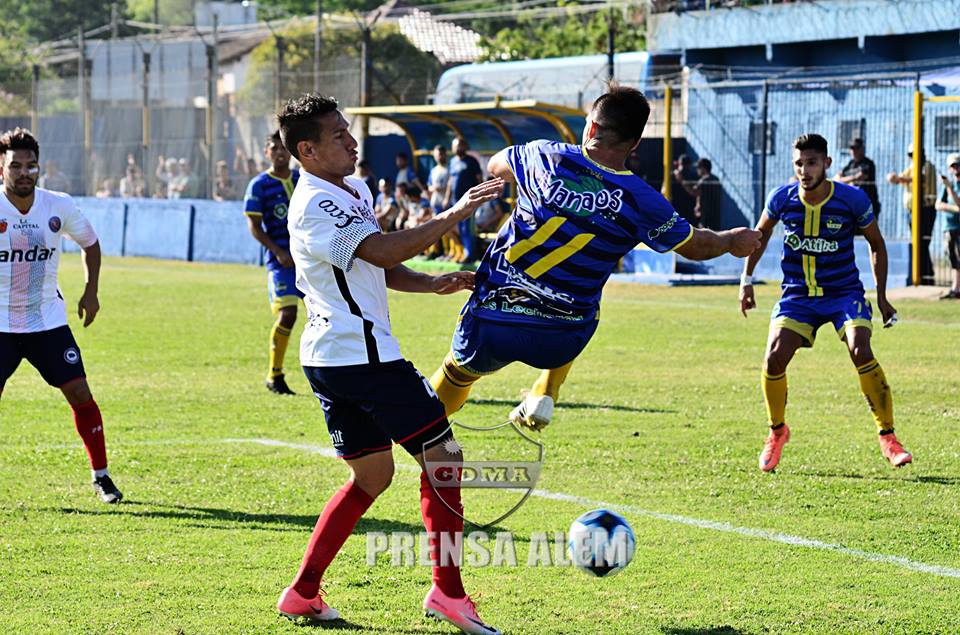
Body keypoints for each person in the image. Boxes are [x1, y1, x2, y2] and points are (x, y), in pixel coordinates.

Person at [274, 93, 503, 634]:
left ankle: (302, 592)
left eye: (348, 130)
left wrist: (429, 282)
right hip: (363, 358)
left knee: (371, 477)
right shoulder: (312, 203)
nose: (352, 141)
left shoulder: (351, 187)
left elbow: (375, 260)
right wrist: (454, 213)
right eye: (338, 136)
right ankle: (448, 594)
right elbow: (379, 251)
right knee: (444, 458)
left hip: (335, 359)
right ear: (307, 150)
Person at [428, 85, 761, 431]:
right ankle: (547, 388)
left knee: (455, 374)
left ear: (590, 129)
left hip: (495, 317)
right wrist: (732, 239)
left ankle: (419, 433)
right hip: (561, 336)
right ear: (634, 145)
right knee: (587, 304)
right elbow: (697, 246)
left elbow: (497, 165)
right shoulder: (644, 201)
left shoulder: (544, 156)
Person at [740, 133, 910, 472]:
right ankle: (777, 432)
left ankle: (888, 438)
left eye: (812, 163)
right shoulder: (781, 198)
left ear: (827, 164)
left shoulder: (852, 199)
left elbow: (876, 244)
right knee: (774, 359)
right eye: (799, 164)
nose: (805, 170)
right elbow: (759, 236)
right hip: (798, 295)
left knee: (861, 349)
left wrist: (882, 295)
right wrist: (746, 281)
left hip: (843, 293)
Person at [0, 128, 122, 503]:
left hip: (46, 322)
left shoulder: (58, 205)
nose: (24, 173)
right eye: (16, 166)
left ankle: (101, 476)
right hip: (1, 325)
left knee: (80, 393)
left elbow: (90, 243)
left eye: (31, 166)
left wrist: (91, 291)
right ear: (0, 168)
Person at [243, 131, 302, 395]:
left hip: (309, 261)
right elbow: (254, 226)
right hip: (281, 264)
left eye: (284, 148)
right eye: (274, 148)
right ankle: (274, 374)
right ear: (266, 152)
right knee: (287, 314)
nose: (280, 152)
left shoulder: (303, 180)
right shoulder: (259, 185)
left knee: (324, 315)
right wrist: (278, 251)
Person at [887, 144, 937, 285]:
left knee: (923, 242)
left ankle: (927, 275)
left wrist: (899, 179)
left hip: (925, 210)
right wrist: (894, 178)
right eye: (910, 155)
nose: (912, 158)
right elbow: (903, 177)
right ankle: (924, 275)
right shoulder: (913, 167)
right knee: (919, 243)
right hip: (913, 211)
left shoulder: (927, 166)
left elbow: (918, 180)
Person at [444, 137, 483, 263]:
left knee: (467, 228)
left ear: (465, 147)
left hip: (469, 201)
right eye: (455, 146)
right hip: (455, 201)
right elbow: (450, 181)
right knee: (459, 228)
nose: (458, 148)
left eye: (460, 145)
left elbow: (479, 179)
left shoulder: (471, 161)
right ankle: (462, 252)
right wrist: (446, 197)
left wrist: (480, 197)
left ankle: (470, 255)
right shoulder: (453, 162)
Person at [834, 138, 881, 221]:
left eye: (856, 148)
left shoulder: (868, 163)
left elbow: (861, 176)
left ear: (862, 149)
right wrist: (852, 178)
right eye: (852, 149)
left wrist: (845, 179)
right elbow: (837, 178)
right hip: (853, 206)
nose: (854, 151)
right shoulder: (851, 164)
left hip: (868, 206)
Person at [935, 153, 960, 299]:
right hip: (949, 226)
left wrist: (950, 188)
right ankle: (955, 288)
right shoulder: (948, 185)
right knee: (952, 258)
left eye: (957, 165)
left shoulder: (951, 186)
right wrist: (954, 209)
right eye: (953, 166)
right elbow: (938, 204)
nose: (956, 168)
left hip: (959, 227)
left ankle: (957, 288)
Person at [676, 158, 722, 230]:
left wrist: (681, 180)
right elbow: (701, 194)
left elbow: (693, 192)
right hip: (715, 215)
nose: (697, 170)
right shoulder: (715, 179)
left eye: (698, 168)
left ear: (703, 168)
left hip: (706, 216)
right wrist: (698, 204)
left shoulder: (704, 180)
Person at [669, 153, 697, 224]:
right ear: (689, 165)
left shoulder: (672, 175)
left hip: (674, 205)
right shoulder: (693, 176)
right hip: (688, 207)